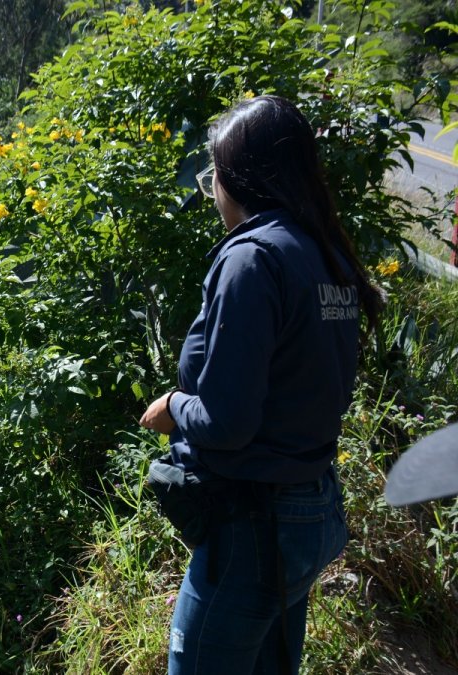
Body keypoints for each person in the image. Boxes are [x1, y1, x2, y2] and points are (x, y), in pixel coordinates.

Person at [139, 95, 384, 674]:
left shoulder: (252, 259)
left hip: (253, 525)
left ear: (239, 178)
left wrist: (174, 404)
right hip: (310, 509)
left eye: (213, 177)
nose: (213, 193)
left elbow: (227, 421)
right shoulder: (324, 254)